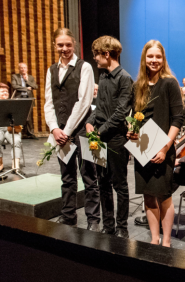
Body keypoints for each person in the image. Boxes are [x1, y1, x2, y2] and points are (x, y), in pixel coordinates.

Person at [127, 40, 184, 247]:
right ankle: (154, 238)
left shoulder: (169, 83)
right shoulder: (137, 87)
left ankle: (166, 241)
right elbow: (134, 118)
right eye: (150, 56)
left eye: (158, 57)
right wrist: (131, 133)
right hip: (143, 149)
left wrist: (165, 148)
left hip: (163, 149)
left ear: (163, 59)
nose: (154, 60)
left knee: (164, 196)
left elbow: (178, 119)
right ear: (144, 59)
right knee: (149, 196)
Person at [44, 27, 100, 230]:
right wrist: (53, 129)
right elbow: (48, 103)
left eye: (68, 44)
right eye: (60, 45)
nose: (64, 48)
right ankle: (68, 218)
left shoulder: (84, 67)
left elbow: (84, 102)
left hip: (83, 130)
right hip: (61, 133)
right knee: (67, 177)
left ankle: (93, 220)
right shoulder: (51, 70)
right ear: (54, 45)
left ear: (74, 44)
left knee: (89, 176)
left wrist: (66, 131)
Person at [86, 36, 134, 238]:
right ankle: (109, 225)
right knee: (102, 183)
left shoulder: (125, 78)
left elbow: (120, 113)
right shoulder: (103, 76)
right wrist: (89, 121)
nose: (95, 59)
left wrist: (100, 131)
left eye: (96, 55)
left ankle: (122, 228)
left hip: (116, 139)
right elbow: (100, 107)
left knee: (120, 185)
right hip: (100, 137)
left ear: (106, 54)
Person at [0, 83, 23, 175]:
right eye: (2, 91)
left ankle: (15, 164)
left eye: (6, 91)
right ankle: (0, 163)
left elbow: (20, 118)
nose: (5, 93)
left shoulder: (14, 104)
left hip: (11, 128)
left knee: (16, 140)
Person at [11, 62, 38, 139]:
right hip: (19, 98)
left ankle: (30, 133)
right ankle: (21, 133)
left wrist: (27, 81)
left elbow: (35, 86)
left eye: (24, 68)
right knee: (19, 116)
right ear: (19, 69)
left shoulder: (30, 77)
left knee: (29, 117)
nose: (23, 69)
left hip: (28, 98)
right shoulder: (15, 76)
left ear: (27, 69)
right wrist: (26, 88)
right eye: (21, 68)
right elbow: (15, 86)